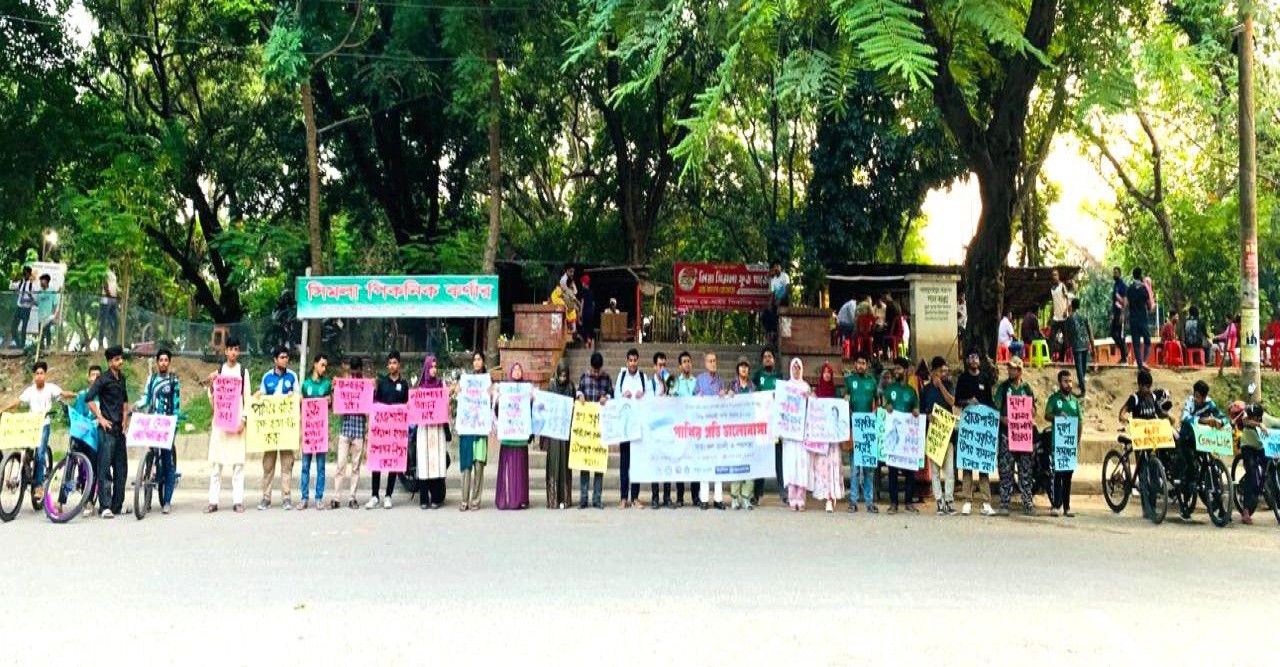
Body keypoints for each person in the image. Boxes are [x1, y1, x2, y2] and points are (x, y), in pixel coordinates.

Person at [1, 360, 75, 502]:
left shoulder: (50, 388)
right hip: (30, 426)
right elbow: (18, 401)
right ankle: (26, 473)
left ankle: (39, 485)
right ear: (34, 376)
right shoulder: (30, 391)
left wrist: (77, 395)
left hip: (44, 425)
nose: (39, 376)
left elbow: (63, 393)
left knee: (40, 454)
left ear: (45, 375)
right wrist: (3, 409)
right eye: (37, 373)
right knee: (25, 452)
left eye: (41, 373)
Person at [206, 337, 250, 513]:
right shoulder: (219, 372)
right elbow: (213, 401)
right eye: (230, 349)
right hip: (221, 425)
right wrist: (211, 386)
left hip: (236, 423)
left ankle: (237, 501)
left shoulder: (243, 372)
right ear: (225, 351)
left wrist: (244, 420)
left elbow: (247, 399)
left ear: (238, 352)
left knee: (238, 465)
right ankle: (213, 501)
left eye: (236, 349)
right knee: (216, 465)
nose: (233, 352)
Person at [86, 345, 130, 519]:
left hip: (120, 430)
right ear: (110, 362)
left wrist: (125, 419)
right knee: (104, 467)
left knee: (121, 469)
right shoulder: (103, 379)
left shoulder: (122, 379)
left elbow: (125, 400)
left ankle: (117, 505)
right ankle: (105, 506)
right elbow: (89, 399)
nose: (120, 362)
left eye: (121, 358)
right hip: (107, 430)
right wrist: (101, 418)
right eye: (117, 359)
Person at [136, 349, 180, 514]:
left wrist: (174, 425)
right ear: (157, 362)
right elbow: (146, 398)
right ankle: (147, 501)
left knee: (168, 462)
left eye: (165, 360)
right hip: (153, 424)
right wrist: (136, 406)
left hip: (167, 425)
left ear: (169, 362)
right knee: (149, 459)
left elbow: (176, 404)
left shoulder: (174, 381)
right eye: (160, 360)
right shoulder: (152, 379)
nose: (163, 362)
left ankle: (167, 501)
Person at [257, 346, 299, 510]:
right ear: (275, 360)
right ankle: (266, 498)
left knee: (287, 464)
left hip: (286, 429)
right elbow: (260, 398)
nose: (285, 360)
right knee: (268, 465)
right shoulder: (267, 377)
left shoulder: (292, 376)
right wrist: (259, 397)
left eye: (286, 357)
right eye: (282, 357)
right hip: (270, 429)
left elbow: (298, 398)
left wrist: (293, 397)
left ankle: (286, 497)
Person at [955, 351, 996, 517]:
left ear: (979, 361)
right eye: (971, 357)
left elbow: (990, 401)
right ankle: (967, 500)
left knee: (983, 465)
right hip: (969, 425)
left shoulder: (985, 378)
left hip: (983, 426)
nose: (973, 360)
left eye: (976, 357)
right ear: (967, 361)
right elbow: (957, 401)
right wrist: (968, 401)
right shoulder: (963, 379)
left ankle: (986, 501)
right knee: (968, 464)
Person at [366, 351, 409, 510]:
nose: (392, 365)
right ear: (387, 365)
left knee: (393, 463)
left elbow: (407, 405)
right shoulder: (382, 383)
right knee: (377, 462)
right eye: (390, 363)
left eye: (395, 363)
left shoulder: (404, 385)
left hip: (396, 432)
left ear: (399, 365)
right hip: (381, 431)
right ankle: (374, 495)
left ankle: (388, 495)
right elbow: (375, 403)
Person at [995, 356, 1036, 515]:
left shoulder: (1027, 388)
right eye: (1009, 368)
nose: (1010, 371)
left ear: (1020, 370)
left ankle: (1027, 502)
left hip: (1023, 435)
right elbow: (996, 407)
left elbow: (1033, 409)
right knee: (1006, 470)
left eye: (1013, 368)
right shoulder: (1003, 388)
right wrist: (1001, 418)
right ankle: (1005, 502)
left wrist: (1031, 413)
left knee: (1026, 470)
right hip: (1007, 434)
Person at [614, 348, 652, 508]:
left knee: (636, 463)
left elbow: (652, 397)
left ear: (638, 361)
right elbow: (614, 397)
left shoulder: (643, 378)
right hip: (625, 428)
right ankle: (623, 497)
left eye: (635, 360)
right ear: (626, 361)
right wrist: (623, 396)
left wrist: (644, 396)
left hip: (639, 428)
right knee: (624, 464)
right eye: (630, 360)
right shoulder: (621, 377)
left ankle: (635, 497)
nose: (633, 363)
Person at [842, 351, 878, 513]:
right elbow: (846, 402)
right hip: (854, 428)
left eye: (864, 363)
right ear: (854, 365)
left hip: (868, 431)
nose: (861, 366)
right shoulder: (849, 381)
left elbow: (877, 404)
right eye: (859, 363)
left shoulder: (872, 382)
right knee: (855, 469)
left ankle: (870, 502)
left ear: (867, 365)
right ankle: (853, 501)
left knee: (868, 469)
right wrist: (847, 407)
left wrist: (875, 416)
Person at [882, 357, 919, 514]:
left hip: (907, 438)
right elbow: (883, 403)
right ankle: (893, 503)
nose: (896, 371)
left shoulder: (911, 392)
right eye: (895, 368)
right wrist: (886, 406)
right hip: (894, 437)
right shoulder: (890, 389)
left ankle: (909, 502)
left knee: (910, 469)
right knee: (892, 470)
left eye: (899, 368)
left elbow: (916, 408)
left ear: (906, 371)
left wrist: (915, 411)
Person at [575, 351, 612, 509]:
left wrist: (607, 398)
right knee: (584, 464)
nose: (596, 374)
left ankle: (597, 498)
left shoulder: (607, 378)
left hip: (600, 427)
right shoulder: (584, 377)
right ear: (591, 367)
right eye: (594, 371)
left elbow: (612, 393)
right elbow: (578, 391)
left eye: (598, 371)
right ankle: (583, 498)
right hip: (586, 426)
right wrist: (580, 395)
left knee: (598, 464)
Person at [921, 356, 957, 516]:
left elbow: (951, 402)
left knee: (949, 471)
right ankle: (939, 501)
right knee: (935, 472)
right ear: (934, 371)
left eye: (946, 371)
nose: (945, 373)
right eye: (942, 371)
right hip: (934, 435)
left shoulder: (949, 385)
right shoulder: (926, 390)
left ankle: (949, 500)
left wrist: (941, 385)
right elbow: (922, 411)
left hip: (947, 435)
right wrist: (928, 416)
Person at [414, 355, 450, 509]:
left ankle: (437, 497)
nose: (434, 370)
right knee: (424, 462)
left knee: (437, 461)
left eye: (436, 367)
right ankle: (423, 498)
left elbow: (446, 408)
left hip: (438, 428)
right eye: (432, 367)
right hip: (424, 430)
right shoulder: (420, 388)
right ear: (426, 368)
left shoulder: (441, 386)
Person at [331, 357, 368, 510]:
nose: (354, 372)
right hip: (345, 430)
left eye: (356, 369)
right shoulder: (344, 383)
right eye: (352, 370)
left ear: (360, 369)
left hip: (358, 430)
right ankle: (336, 497)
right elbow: (336, 404)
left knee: (355, 466)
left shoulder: (365, 385)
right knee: (340, 465)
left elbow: (369, 403)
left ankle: (352, 497)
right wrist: (335, 389)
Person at [495, 362, 533, 510]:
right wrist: (498, 401)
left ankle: (521, 498)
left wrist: (532, 400)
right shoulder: (505, 390)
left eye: (519, 369)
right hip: (508, 435)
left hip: (521, 436)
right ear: (511, 372)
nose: (517, 372)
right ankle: (507, 498)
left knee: (521, 469)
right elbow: (498, 410)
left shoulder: (526, 390)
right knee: (508, 468)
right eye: (515, 369)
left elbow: (532, 412)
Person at [1176, 380, 1223, 495]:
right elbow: (1185, 418)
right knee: (1191, 463)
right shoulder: (1190, 402)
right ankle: (1187, 490)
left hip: (1201, 439)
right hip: (1187, 438)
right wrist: (1204, 420)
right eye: (1198, 397)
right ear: (1195, 394)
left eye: (1203, 397)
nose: (1200, 400)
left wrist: (1221, 422)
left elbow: (1220, 415)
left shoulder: (1209, 403)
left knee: (1210, 459)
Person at [809, 362, 845, 514]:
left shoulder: (836, 393)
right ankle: (825, 495)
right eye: (824, 372)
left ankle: (831, 496)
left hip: (833, 440)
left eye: (829, 372)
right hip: (821, 439)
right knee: (823, 468)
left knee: (833, 466)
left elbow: (841, 412)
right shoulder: (817, 392)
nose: (827, 375)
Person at [1044, 370, 1081, 517]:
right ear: (1060, 383)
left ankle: (1067, 506)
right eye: (1065, 381)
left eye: (1070, 381)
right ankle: (1055, 505)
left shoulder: (1075, 402)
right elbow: (1046, 415)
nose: (1068, 384)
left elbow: (1080, 422)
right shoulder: (1054, 399)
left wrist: (1077, 441)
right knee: (1057, 475)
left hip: (1070, 446)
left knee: (1068, 477)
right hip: (1057, 444)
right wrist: (1057, 417)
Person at [458, 351, 491, 511]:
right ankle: (464, 501)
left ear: (483, 362)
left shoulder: (487, 382)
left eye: (479, 359)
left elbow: (492, 402)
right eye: (475, 360)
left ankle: (476, 501)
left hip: (480, 431)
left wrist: (492, 395)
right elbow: (459, 399)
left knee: (478, 466)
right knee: (466, 468)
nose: (477, 362)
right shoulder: (466, 381)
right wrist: (457, 390)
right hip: (467, 431)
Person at [694, 351, 727, 510]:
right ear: (705, 363)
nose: (713, 363)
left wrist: (725, 395)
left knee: (718, 463)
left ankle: (718, 499)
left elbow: (726, 404)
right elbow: (692, 402)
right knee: (704, 463)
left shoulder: (721, 381)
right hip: (703, 428)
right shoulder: (699, 380)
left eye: (715, 360)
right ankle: (704, 498)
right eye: (710, 361)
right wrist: (698, 398)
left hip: (717, 427)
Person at [298, 353, 331, 510]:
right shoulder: (305, 385)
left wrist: (330, 400)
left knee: (321, 467)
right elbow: (301, 407)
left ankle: (319, 497)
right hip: (308, 433)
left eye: (326, 366)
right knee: (305, 466)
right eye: (322, 365)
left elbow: (329, 406)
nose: (324, 368)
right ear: (315, 364)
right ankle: (304, 498)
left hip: (321, 433)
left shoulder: (326, 384)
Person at [1238, 403, 1280, 525]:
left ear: (1260, 416)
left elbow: (1277, 422)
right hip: (1248, 446)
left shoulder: (1266, 418)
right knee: (1251, 474)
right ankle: (1245, 511)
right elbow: (1245, 422)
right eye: (1251, 416)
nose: (1252, 418)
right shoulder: (1247, 417)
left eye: (1255, 417)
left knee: (1272, 470)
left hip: (1262, 448)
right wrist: (1258, 425)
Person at [750, 348, 781, 505]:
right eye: (765, 357)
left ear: (774, 360)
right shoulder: (757, 376)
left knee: (778, 459)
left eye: (770, 356)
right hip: (762, 424)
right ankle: (756, 494)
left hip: (775, 424)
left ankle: (784, 494)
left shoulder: (780, 377)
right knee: (761, 459)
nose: (768, 359)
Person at [781, 358, 811, 511]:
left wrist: (810, 398)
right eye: (794, 367)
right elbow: (781, 407)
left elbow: (811, 408)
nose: (796, 370)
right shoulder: (786, 387)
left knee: (801, 464)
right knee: (791, 464)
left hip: (802, 433)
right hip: (790, 434)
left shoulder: (805, 387)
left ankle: (801, 498)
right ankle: (792, 499)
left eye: (799, 368)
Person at [544, 360, 575, 509]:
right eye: (561, 376)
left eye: (565, 376)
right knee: (554, 463)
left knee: (565, 464)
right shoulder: (551, 386)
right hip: (554, 431)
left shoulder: (571, 387)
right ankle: (553, 499)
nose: (562, 379)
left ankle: (565, 498)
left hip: (566, 431)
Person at [670, 351, 698, 507]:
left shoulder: (697, 382)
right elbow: (670, 399)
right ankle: (680, 497)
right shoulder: (675, 382)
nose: (687, 364)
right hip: (680, 428)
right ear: (680, 366)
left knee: (695, 461)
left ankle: (695, 497)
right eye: (684, 362)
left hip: (694, 428)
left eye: (689, 361)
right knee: (680, 461)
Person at [647, 352, 675, 509]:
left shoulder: (670, 382)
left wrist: (668, 387)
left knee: (667, 462)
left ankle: (667, 497)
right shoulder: (650, 384)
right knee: (656, 463)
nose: (662, 368)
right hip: (655, 429)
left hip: (668, 428)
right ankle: (655, 497)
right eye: (660, 365)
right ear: (654, 367)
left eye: (664, 365)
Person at [728, 358, 756, 510]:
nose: (744, 369)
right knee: (736, 463)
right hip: (736, 431)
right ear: (738, 369)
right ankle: (734, 497)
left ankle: (746, 497)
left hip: (749, 430)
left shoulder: (753, 387)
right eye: (741, 367)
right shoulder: (732, 386)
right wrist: (728, 396)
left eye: (746, 367)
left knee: (749, 464)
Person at [1066, 298, 1094, 396]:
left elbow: (1067, 334)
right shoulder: (1084, 316)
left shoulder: (1069, 319)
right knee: (1083, 366)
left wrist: (1068, 344)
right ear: (1079, 306)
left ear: (1072, 306)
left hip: (1076, 345)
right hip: (1085, 343)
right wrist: (1093, 346)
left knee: (1079, 368)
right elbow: (1090, 331)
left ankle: (1083, 390)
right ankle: (1082, 384)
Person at [1127, 268, 1153, 369]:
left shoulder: (1130, 289)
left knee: (1136, 343)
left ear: (1133, 276)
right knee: (1147, 341)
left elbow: (1127, 305)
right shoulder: (1143, 289)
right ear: (1140, 275)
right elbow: (1149, 305)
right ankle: (1144, 361)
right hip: (1143, 319)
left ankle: (1140, 366)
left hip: (1133, 319)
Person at [1049, 269, 1073, 360]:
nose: (1054, 277)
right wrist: (1050, 316)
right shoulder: (1052, 289)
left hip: (1064, 317)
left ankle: (1062, 358)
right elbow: (1053, 303)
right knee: (1051, 338)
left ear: (1058, 276)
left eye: (1056, 275)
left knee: (1066, 340)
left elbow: (1068, 299)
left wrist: (1066, 310)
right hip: (1055, 318)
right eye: (1053, 275)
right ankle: (1050, 357)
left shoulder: (1062, 286)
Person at [9, 266, 35, 348]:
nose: (24, 274)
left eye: (26, 272)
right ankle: (18, 344)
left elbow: (34, 300)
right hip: (19, 307)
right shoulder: (21, 283)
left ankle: (22, 346)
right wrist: (13, 279)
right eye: (23, 272)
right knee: (13, 327)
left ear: (29, 274)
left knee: (24, 328)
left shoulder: (31, 286)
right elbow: (11, 287)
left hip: (26, 309)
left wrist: (28, 299)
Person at [35, 273, 59, 350]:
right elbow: (37, 303)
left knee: (47, 332)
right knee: (40, 334)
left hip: (49, 317)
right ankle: (40, 349)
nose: (41, 282)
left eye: (42, 280)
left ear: (46, 281)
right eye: (40, 280)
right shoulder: (39, 291)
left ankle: (48, 347)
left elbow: (55, 304)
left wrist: (55, 316)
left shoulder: (52, 291)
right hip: (40, 317)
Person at [1110, 267, 1128, 364]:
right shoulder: (1115, 285)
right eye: (1113, 273)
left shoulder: (1122, 285)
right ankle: (1124, 352)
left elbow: (1125, 300)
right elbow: (1114, 301)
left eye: (1116, 273)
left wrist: (1123, 314)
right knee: (1113, 333)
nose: (1114, 274)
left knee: (1120, 335)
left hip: (1121, 314)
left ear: (1120, 274)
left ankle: (1124, 357)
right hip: (1115, 314)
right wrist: (1112, 314)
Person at [98, 268, 119, 350]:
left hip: (113, 299)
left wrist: (117, 295)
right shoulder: (105, 271)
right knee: (103, 321)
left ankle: (113, 342)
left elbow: (115, 286)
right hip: (106, 299)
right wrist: (109, 294)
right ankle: (100, 343)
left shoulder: (114, 273)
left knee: (115, 321)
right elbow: (105, 284)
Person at [579, 273, 595, 344]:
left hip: (585, 312)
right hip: (591, 312)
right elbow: (593, 303)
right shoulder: (591, 291)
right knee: (590, 326)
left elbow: (582, 302)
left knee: (584, 326)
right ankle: (590, 339)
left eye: (582, 282)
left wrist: (580, 312)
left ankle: (586, 341)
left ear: (585, 283)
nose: (582, 283)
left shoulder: (583, 291)